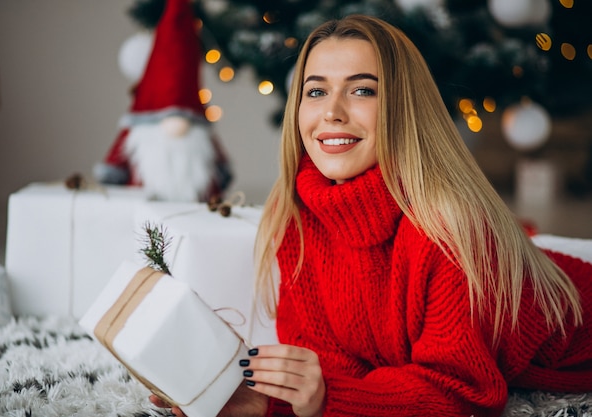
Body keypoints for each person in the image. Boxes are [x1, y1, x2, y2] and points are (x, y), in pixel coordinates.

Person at [151, 14, 592, 417]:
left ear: (403, 108)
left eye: (362, 89)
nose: (332, 112)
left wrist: (325, 398)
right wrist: (259, 402)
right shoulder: (300, 221)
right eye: (316, 90)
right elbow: (335, 373)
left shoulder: (447, 231)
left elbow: (457, 393)